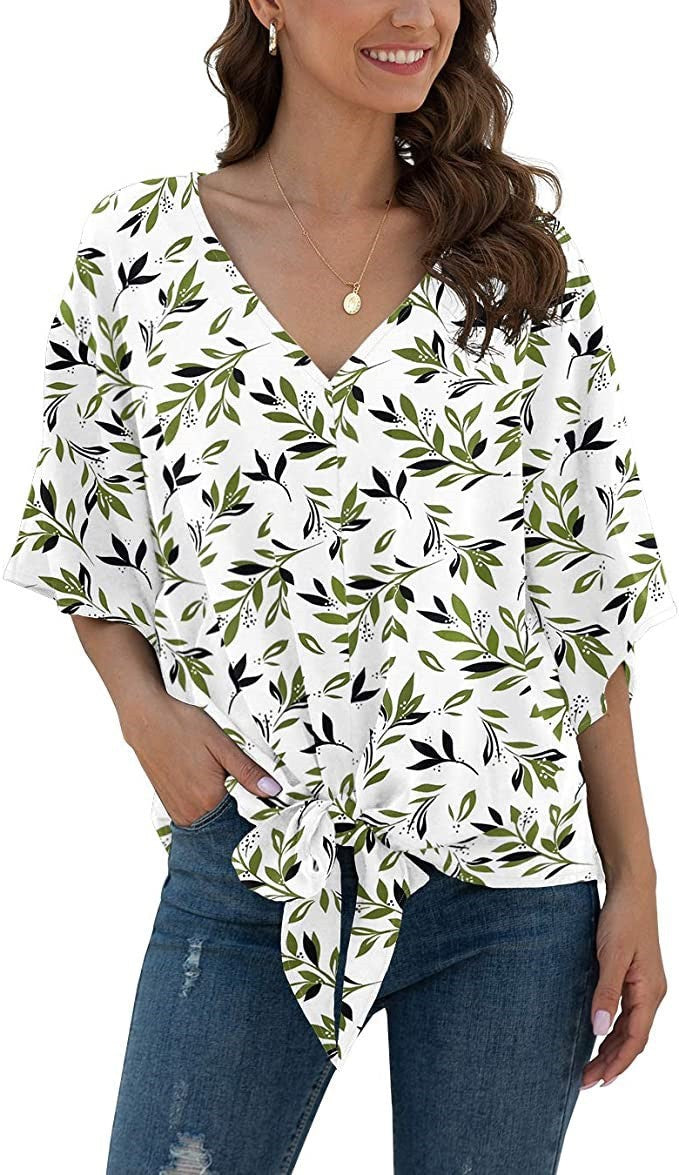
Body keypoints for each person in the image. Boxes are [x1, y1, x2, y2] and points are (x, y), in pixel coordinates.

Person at [3, 2, 676, 1172]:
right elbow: (83, 528)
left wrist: (634, 876)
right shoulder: (139, 248)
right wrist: (141, 711)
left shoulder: (518, 263)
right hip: (251, 866)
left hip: (506, 887)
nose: (415, 13)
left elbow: (582, 598)